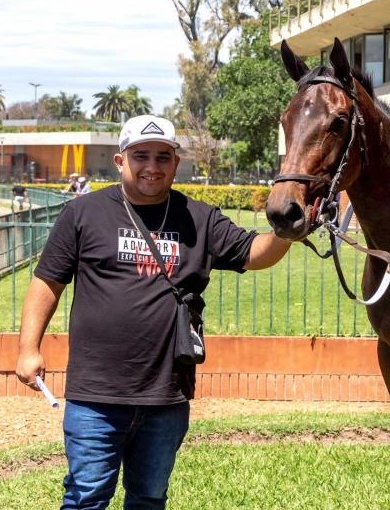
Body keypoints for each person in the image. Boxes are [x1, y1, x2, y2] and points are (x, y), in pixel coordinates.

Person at [15, 114, 292, 509]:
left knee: (148, 498)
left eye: (163, 157)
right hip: (96, 396)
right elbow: (47, 282)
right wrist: (29, 348)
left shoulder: (200, 218)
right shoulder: (84, 213)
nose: (152, 167)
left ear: (176, 163)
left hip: (167, 395)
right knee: (85, 497)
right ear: (120, 161)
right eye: (140, 155)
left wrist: (288, 228)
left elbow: (254, 254)